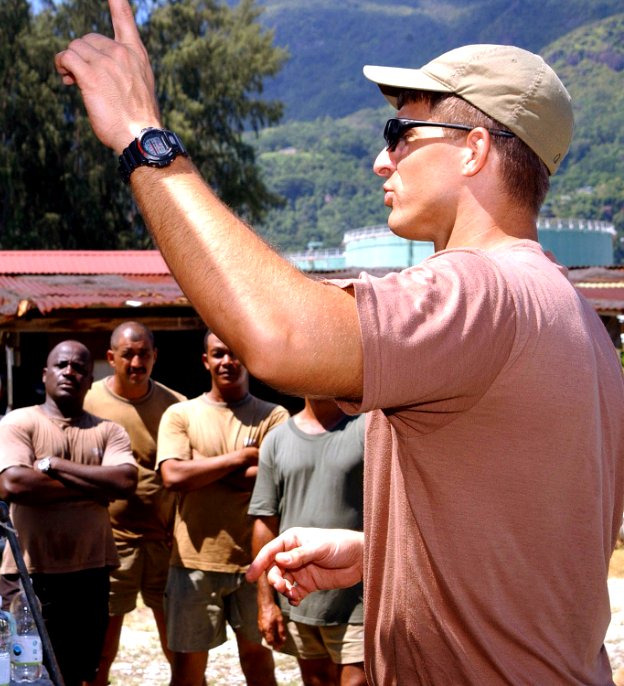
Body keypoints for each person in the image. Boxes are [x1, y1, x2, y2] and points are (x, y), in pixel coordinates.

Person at [55, 6, 624, 683]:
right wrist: (382, 554)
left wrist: (140, 135)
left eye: (403, 130)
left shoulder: (478, 289)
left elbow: (278, 336)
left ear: (473, 149)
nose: (383, 157)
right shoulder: (574, 318)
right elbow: (532, 539)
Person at [0, 340, 138, 686]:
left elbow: (125, 480)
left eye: (79, 368)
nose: (70, 372)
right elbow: (12, 484)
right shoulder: (19, 422)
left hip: (89, 573)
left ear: (90, 380)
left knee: (80, 673)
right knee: (19, 672)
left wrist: (52, 466)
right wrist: (94, 487)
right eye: (61, 365)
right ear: (45, 374)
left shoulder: (108, 431)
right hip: (28, 573)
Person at [156, 331, 288, 686]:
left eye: (235, 353)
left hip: (254, 562)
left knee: (259, 662)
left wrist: (201, 466)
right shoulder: (180, 414)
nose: (227, 362)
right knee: (187, 670)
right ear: (206, 361)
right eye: (218, 354)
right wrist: (242, 457)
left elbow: (271, 480)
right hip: (193, 562)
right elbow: (172, 475)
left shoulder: (274, 416)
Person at [82, 322, 185, 686]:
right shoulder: (87, 400)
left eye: (144, 354)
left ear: (155, 356)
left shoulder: (177, 406)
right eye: (128, 354)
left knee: (178, 645)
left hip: (164, 542)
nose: (136, 362)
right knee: (101, 648)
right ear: (111, 358)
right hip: (110, 542)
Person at [249, 401, 367, 686]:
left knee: (359, 681)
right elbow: (265, 519)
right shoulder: (277, 439)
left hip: (359, 597)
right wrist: (266, 602)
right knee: (316, 680)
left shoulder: (368, 428)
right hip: (299, 592)